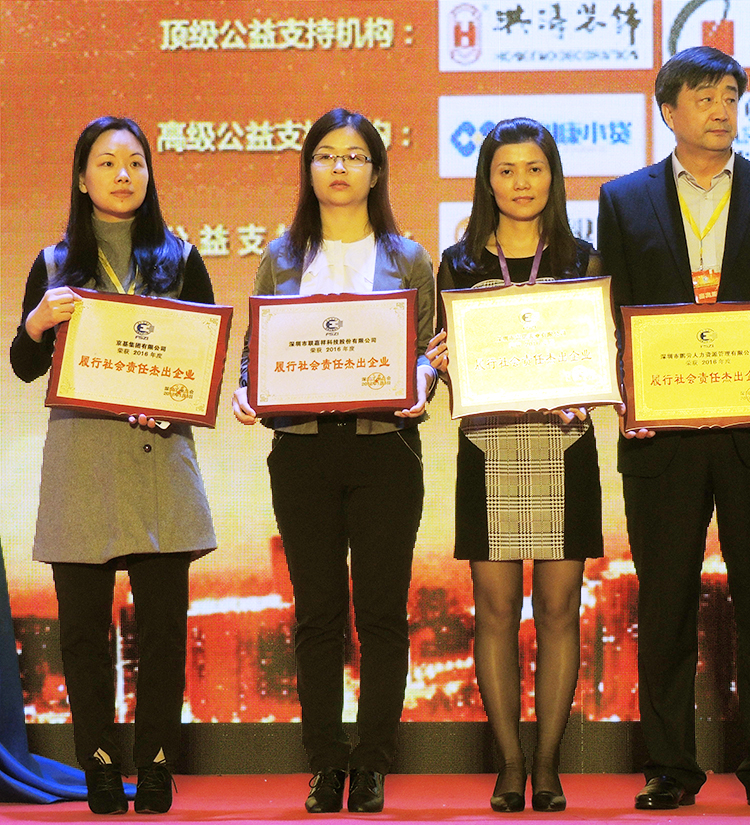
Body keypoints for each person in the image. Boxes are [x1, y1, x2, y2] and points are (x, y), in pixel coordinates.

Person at [597, 46, 750, 811]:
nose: (721, 109)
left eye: (730, 96)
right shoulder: (623, 199)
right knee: (664, 607)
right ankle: (669, 766)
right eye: (704, 96)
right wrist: (625, 392)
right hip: (662, 437)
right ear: (669, 110)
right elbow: (612, 316)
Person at [9, 116, 217, 815]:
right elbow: (24, 365)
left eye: (135, 162)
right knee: (82, 635)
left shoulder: (181, 258)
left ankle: (155, 766)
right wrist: (37, 321)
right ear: (80, 177)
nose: (123, 174)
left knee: (163, 634)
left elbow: (204, 359)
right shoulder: (53, 261)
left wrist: (173, 400)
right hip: (83, 459)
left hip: (159, 459)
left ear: (150, 174)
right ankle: (99, 765)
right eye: (106, 162)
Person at [232, 108, 436, 815]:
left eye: (355, 155)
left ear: (377, 172)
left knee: (381, 613)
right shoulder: (281, 257)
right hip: (302, 451)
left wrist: (423, 382)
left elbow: (429, 351)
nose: (340, 166)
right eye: (326, 154)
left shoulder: (410, 258)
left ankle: (373, 762)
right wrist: (245, 389)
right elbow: (256, 354)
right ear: (308, 169)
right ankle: (325, 762)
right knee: (316, 614)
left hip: (386, 450)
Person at [426, 117, 603, 813]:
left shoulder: (582, 258)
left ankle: (549, 765)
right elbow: (446, 363)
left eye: (534, 169)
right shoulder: (459, 261)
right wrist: (441, 362)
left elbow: (604, 351)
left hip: (565, 446)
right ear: (487, 180)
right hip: (489, 447)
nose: (521, 183)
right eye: (506, 170)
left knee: (560, 611)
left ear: (553, 176)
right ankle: (508, 764)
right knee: (495, 612)